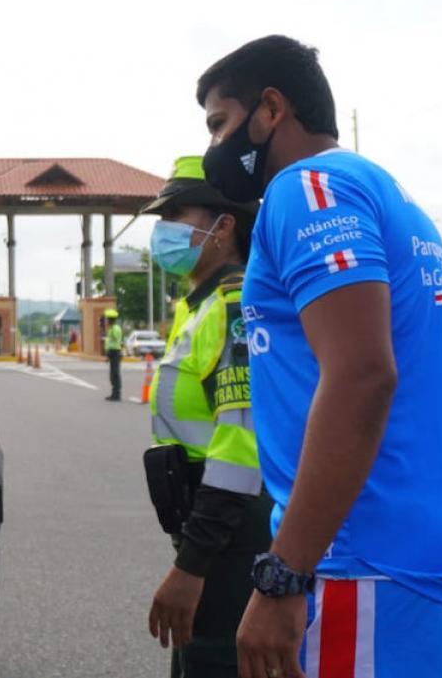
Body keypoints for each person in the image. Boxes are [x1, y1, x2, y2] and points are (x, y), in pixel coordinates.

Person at [196, 35, 442, 678]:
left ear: (271, 109)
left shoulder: (309, 189)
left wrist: (283, 574)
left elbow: (361, 375)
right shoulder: (388, 193)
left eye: (220, 123)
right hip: (428, 551)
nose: (216, 147)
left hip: (359, 558)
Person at [142, 155, 270, 677]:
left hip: (231, 539)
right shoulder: (195, 306)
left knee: (217, 663)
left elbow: (240, 446)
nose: (163, 231)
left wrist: (193, 565)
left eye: (177, 216)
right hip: (209, 527)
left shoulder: (233, 306)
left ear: (223, 226)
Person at [103, 308, 124, 400]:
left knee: (115, 374)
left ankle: (117, 395)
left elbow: (115, 338)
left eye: (107, 319)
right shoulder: (112, 328)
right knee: (112, 374)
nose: (106, 320)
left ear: (110, 320)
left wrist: (111, 331)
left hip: (115, 352)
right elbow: (109, 342)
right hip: (112, 352)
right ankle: (113, 393)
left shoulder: (115, 328)